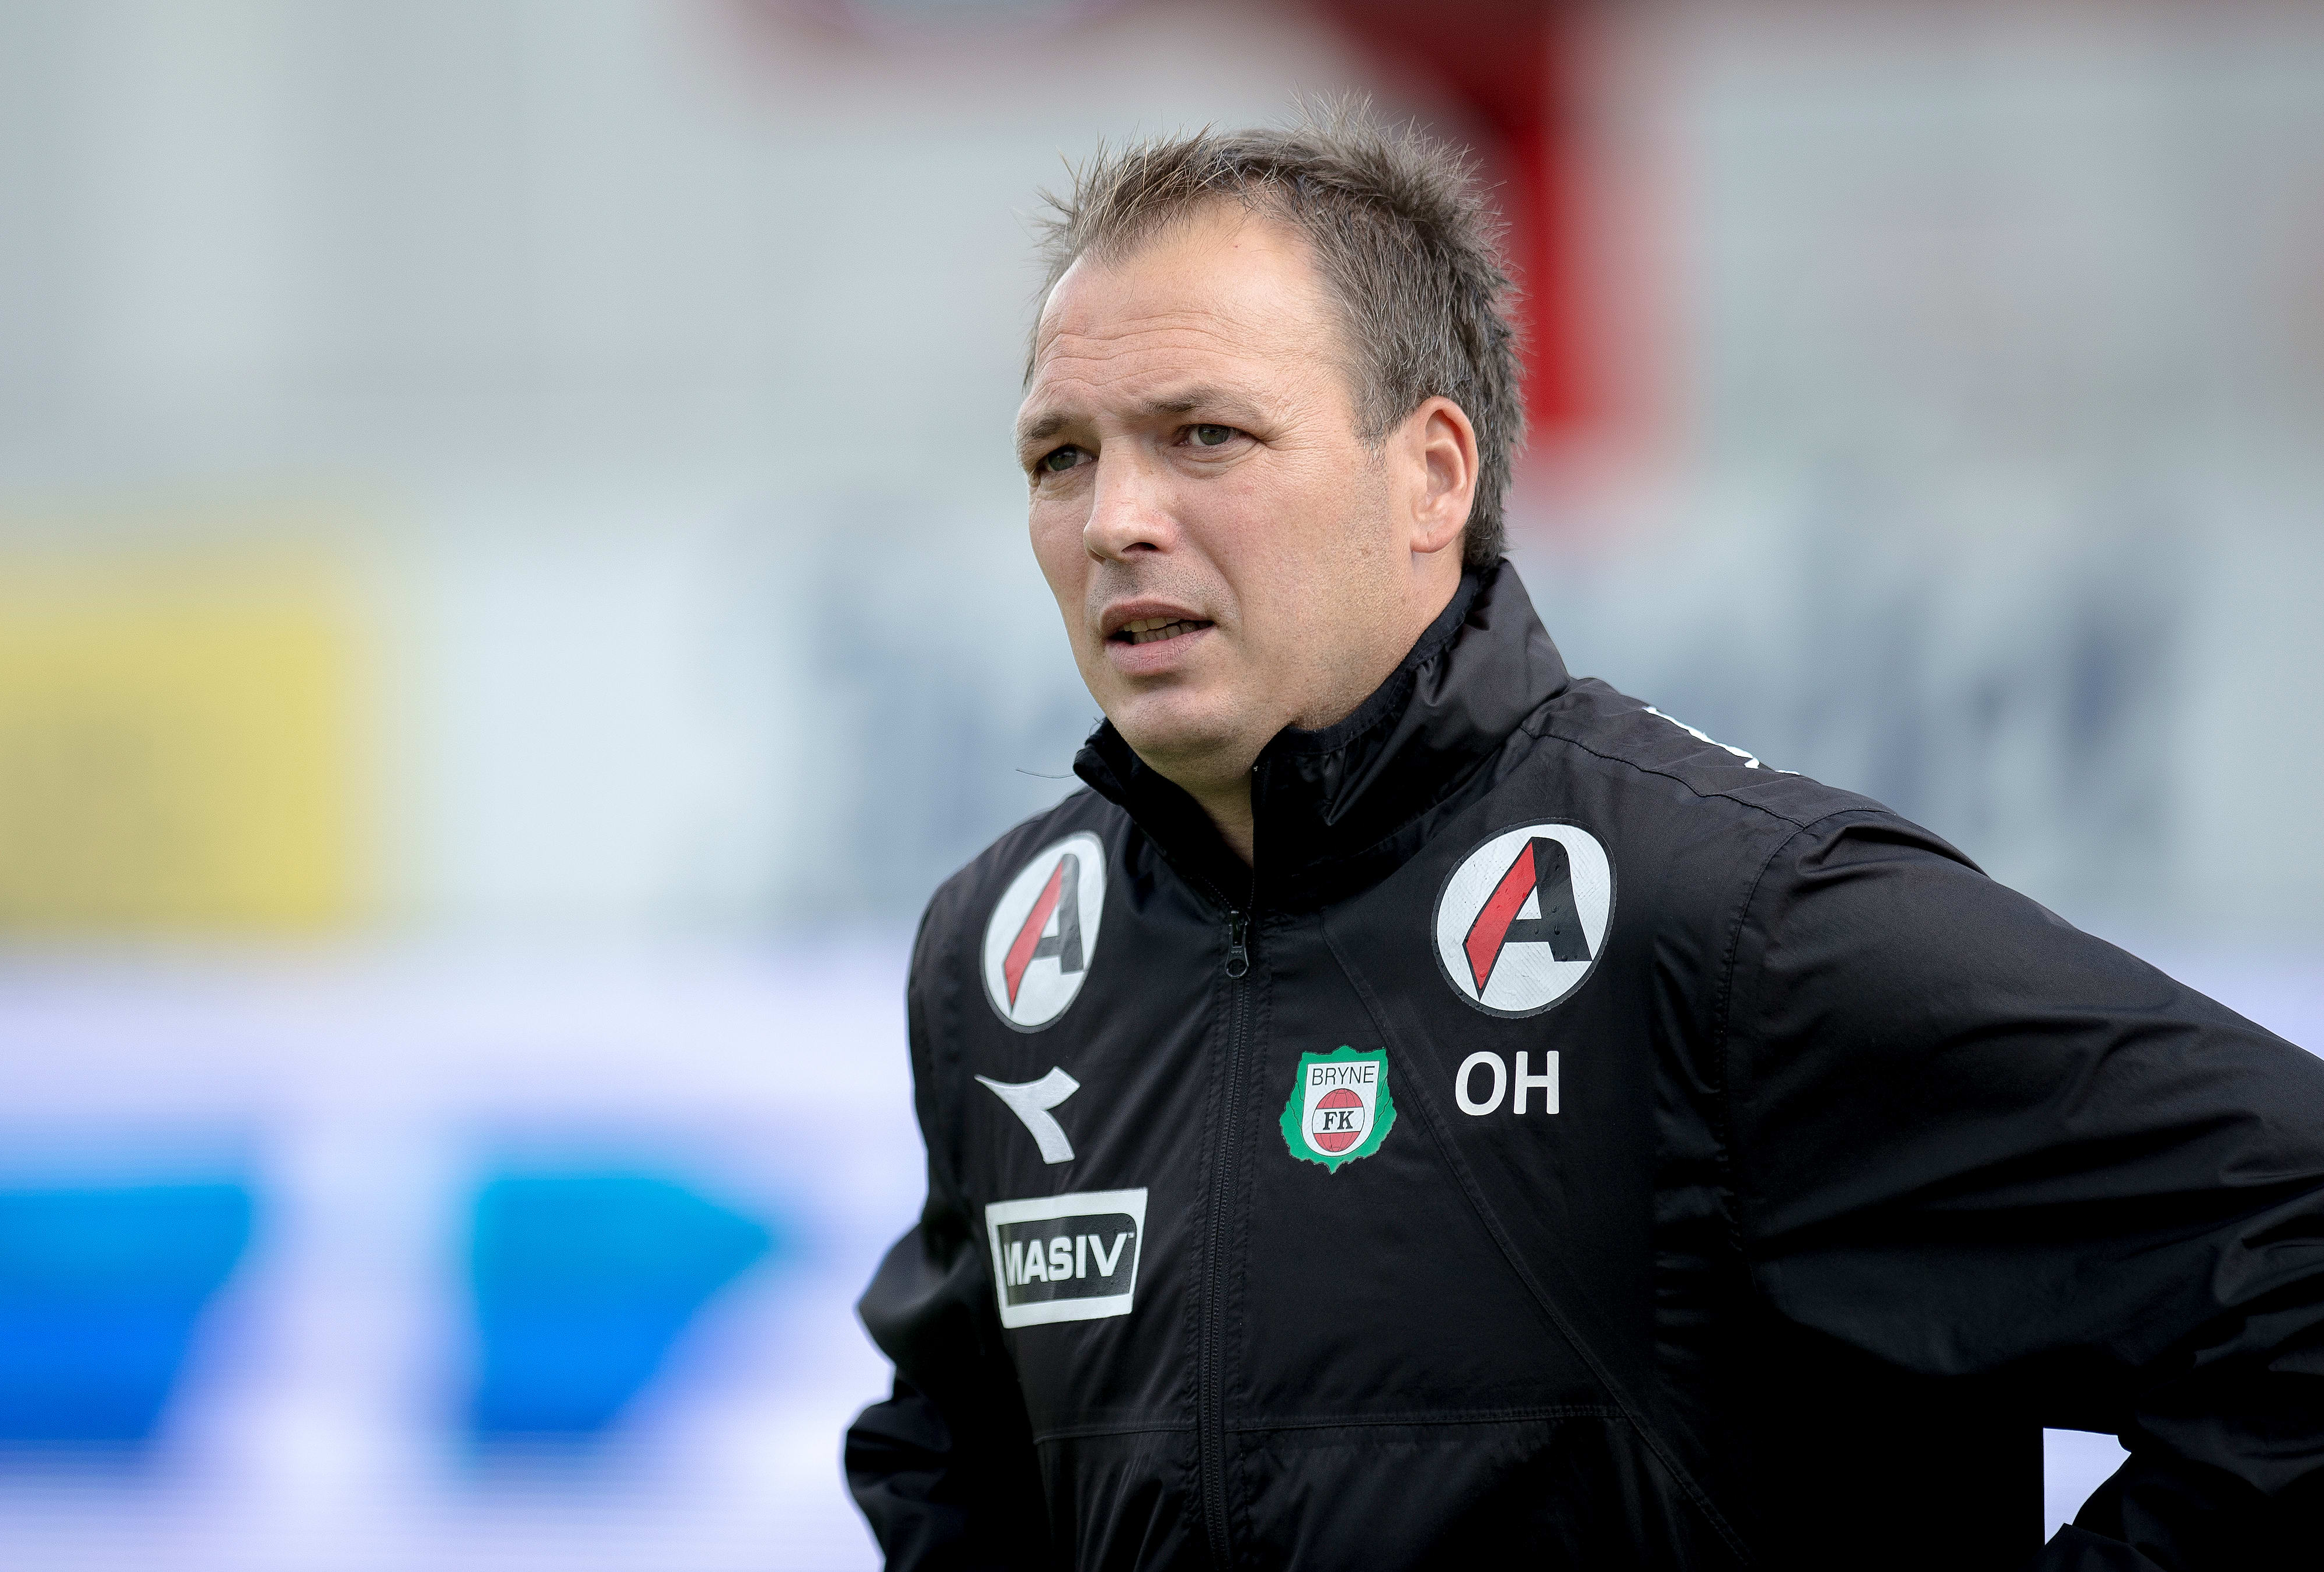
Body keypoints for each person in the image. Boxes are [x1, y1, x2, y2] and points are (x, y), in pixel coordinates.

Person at [842, 107, 2324, 1570]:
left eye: (1203, 436)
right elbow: (949, 1458)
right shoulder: (1002, 950)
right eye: (1059, 456)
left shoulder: (1731, 912)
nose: (1113, 518)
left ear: (1431, 475)